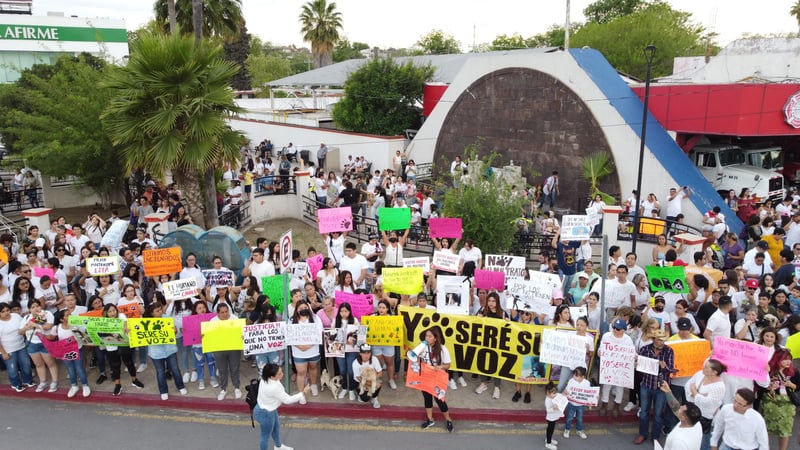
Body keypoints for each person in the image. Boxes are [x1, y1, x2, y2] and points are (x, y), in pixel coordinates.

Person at [254, 363, 310, 450]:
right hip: (266, 413)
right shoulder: (273, 388)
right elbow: (288, 400)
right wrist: (303, 393)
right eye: (279, 374)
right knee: (265, 437)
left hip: (268, 409)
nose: (282, 374)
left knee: (276, 428)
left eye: (281, 371)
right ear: (272, 376)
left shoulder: (265, 379)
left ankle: (278, 446)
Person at [634, 328, 675, 445]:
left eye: (663, 340)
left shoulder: (669, 351)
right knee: (644, 412)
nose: (661, 343)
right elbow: (640, 367)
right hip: (646, 385)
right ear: (653, 340)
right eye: (658, 340)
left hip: (661, 388)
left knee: (658, 414)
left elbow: (670, 370)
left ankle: (655, 436)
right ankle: (643, 434)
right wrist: (637, 364)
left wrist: (665, 367)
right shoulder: (644, 349)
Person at [144, 302, 187, 400]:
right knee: (160, 372)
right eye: (157, 311)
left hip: (170, 350)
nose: (160, 312)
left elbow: (174, 333)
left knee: (175, 369)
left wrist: (175, 331)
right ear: (152, 313)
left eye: (160, 309)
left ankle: (180, 386)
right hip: (156, 352)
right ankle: (163, 391)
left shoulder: (167, 318)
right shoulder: (145, 322)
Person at [417, 326, 455, 432]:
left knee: (439, 399)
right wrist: (418, 356)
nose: (427, 338)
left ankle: (448, 419)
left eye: (430, 336)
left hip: (437, 377)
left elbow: (448, 365)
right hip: (425, 376)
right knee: (427, 398)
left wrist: (440, 367)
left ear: (435, 338)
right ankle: (430, 419)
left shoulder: (443, 349)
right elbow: (417, 360)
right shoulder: (423, 347)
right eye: (426, 336)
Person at [102, 303, 143, 396]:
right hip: (111, 346)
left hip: (124, 344)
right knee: (115, 366)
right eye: (109, 311)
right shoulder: (103, 321)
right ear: (106, 313)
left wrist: (125, 326)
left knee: (129, 362)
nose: (112, 313)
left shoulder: (121, 316)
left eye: (114, 310)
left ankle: (134, 380)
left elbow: (125, 321)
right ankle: (118, 384)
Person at [685, 359, 727, 450]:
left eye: (706, 367)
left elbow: (708, 403)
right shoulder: (700, 374)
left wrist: (695, 392)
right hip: (693, 412)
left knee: (704, 442)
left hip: (705, 418)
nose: (703, 368)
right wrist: (697, 395)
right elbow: (688, 385)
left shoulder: (720, 387)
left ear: (714, 372)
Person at [19, 299, 59, 393]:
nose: (36, 308)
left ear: (40, 306)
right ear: (29, 309)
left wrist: (35, 325)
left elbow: (48, 326)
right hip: (32, 343)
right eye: (33, 307)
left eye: (37, 306)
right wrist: (26, 327)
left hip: (45, 342)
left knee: (50, 363)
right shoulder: (26, 318)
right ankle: (43, 382)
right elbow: (20, 331)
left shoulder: (46, 314)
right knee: (39, 364)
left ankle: (54, 382)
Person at [762, 348, 798, 450]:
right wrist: (769, 387)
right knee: (767, 428)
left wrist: (791, 385)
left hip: (787, 404)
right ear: (778, 359)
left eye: (789, 359)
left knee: (785, 430)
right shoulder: (770, 371)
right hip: (771, 403)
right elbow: (761, 386)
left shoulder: (794, 372)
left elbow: (798, 387)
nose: (788, 362)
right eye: (785, 359)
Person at [598, 318, 633, 416]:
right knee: (606, 385)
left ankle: (617, 405)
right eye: (614, 328)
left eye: (617, 329)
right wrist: (600, 353)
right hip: (609, 367)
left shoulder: (628, 340)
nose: (615, 330)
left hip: (621, 368)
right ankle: (604, 404)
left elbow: (631, 353)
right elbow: (601, 348)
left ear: (623, 330)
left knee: (619, 387)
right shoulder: (606, 336)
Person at [52, 308, 90, 397]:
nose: (70, 316)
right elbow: (51, 337)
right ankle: (74, 386)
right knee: (70, 369)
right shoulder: (57, 328)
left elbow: (84, 336)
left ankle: (85, 385)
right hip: (65, 353)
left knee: (79, 368)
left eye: (70, 314)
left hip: (77, 350)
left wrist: (75, 328)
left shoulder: (76, 325)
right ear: (62, 319)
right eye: (67, 315)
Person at [290, 301, 322, 402]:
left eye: (305, 307)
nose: (303, 309)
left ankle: (313, 385)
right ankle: (301, 394)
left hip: (313, 350)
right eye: (301, 308)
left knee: (313, 368)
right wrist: (300, 346)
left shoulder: (316, 318)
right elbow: (289, 336)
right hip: (298, 352)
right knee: (301, 372)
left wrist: (308, 346)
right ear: (297, 310)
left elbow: (319, 333)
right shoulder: (291, 320)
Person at [659, 382, 704, 450]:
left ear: (683, 418)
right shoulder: (697, 424)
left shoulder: (679, 442)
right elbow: (676, 408)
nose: (679, 407)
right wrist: (668, 391)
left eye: (681, 408)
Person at [352, 343, 383, 408]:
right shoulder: (355, 363)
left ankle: (375, 398)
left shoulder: (374, 359)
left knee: (378, 383)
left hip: (371, 378)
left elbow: (380, 372)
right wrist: (371, 383)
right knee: (365, 399)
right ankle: (361, 395)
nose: (367, 355)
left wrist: (374, 380)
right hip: (360, 381)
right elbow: (358, 378)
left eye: (368, 353)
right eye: (364, 353)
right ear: (360, 353)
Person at [562, 366, 590, 440]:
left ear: (582, 377)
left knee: (580, 418)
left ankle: (579, 430)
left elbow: (590, 394)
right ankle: (567, 429)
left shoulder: (587, 383)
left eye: (576, 376)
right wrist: (565, 392)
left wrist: (594, 398)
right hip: (571, 403)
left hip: (581, 404)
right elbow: (567, 390)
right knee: (569, 417)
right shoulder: (571, 381)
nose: (574, 376)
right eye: (574, 375)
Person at [544, 382, 564, 450]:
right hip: (551, 418)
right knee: (550, 429)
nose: (555, 394)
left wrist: (564, 394)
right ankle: (548, 443)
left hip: (555, 416)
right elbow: (548, 411)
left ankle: (548, 439)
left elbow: (560, 396)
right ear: (548, 393)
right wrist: (553, 408)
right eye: (553, 393)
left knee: (551, 429)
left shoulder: (556, 395)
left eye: (556, 392)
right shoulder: (547, 400)